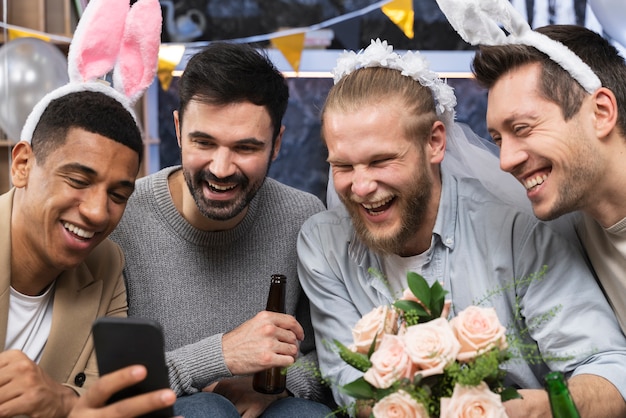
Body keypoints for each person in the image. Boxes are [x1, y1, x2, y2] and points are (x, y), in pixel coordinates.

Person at [297, 39, 626, 418]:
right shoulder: (322, 244)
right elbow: (347, 382)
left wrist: (533, 409)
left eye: (382, 160)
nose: (361, 187)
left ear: (435, 142)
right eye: (342, 166)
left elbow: (608, 367)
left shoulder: (521, 230)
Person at [109, 41, 331, 418]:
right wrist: (222, 355)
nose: (222, 168)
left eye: (245, 148)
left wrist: (274, 385)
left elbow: (328, 359)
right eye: (204, 142)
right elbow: (109, 382)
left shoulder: (303, 216)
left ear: (276, 144)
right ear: (179, 130)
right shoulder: (123, 218)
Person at [435, 0, 626, 336]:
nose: (506, 161)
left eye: (522, 128)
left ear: (601, 113)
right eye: (497, 139)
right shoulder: (566, 235)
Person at [0, 90, 177, 417]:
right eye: (79, 180)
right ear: (23, 164)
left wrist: (61, 401)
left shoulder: (106, 265)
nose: (98, 213)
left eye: (118, 195)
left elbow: (104, 396)